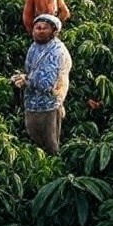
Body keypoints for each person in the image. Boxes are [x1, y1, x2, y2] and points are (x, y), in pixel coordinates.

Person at [10, 14, 72, 155]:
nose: (40, 30)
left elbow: (47, 82)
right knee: (34, 139)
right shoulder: (35, 47)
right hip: (32, 102)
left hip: (48, 104)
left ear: (54, 32)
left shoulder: (56, 51)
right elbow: (30, 70)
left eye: (45, 28)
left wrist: (27, 80)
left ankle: (53, 165)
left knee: (49, 144)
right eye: (38, 27)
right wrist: (22, 78)